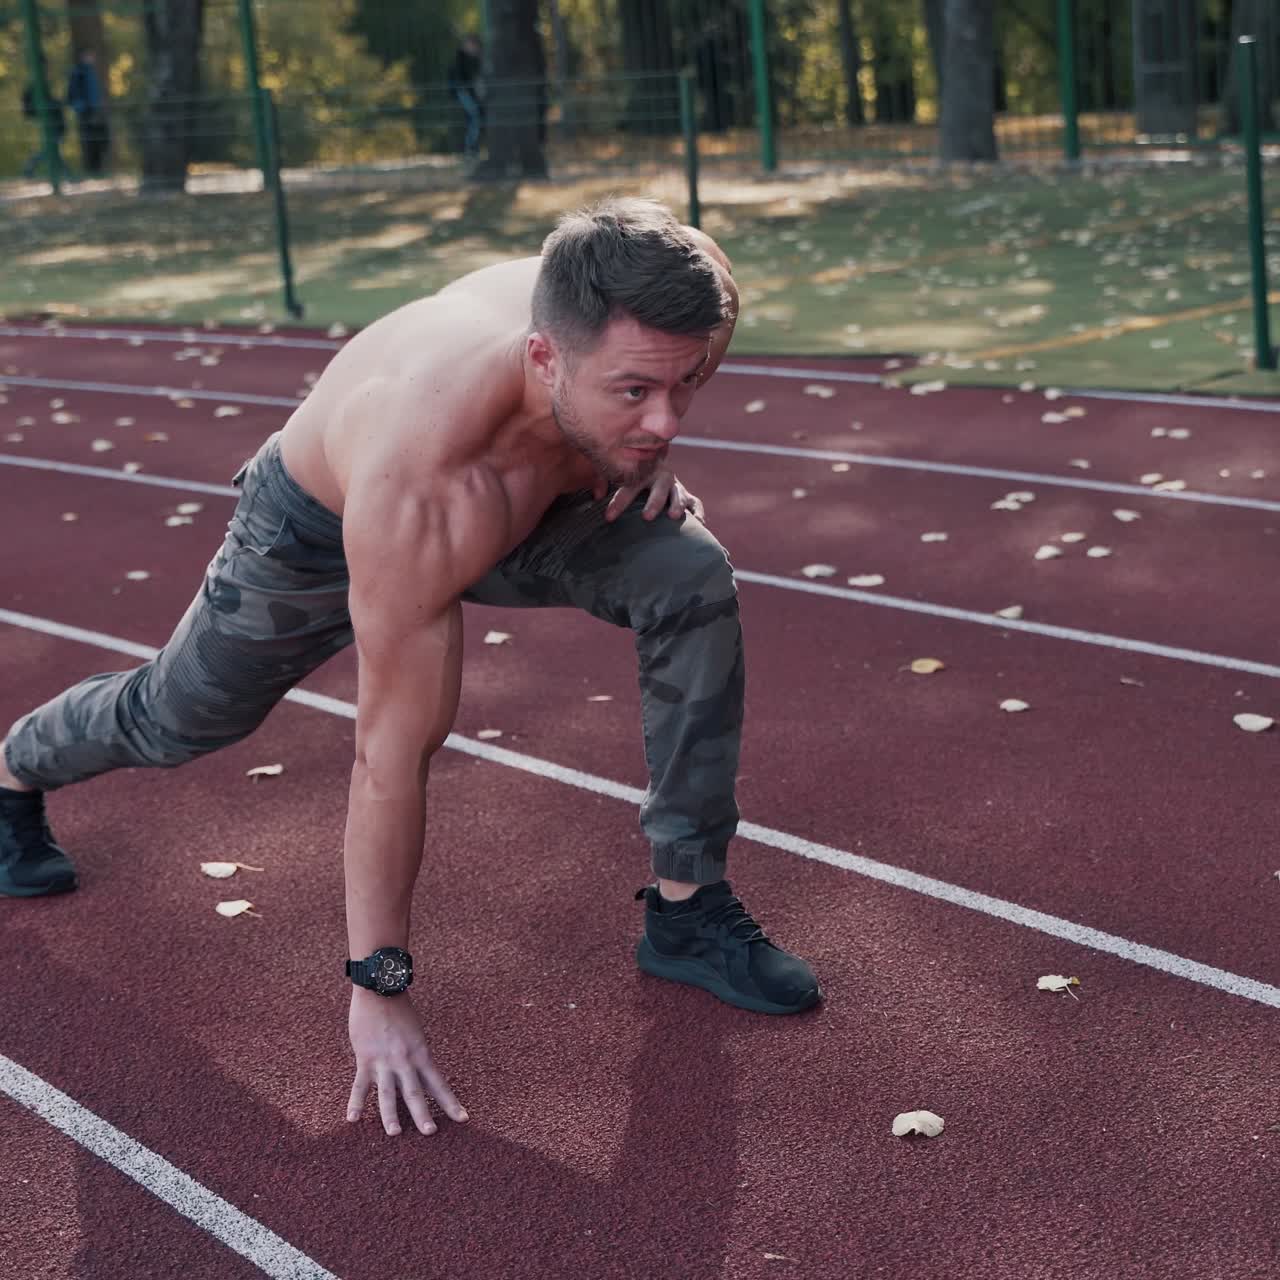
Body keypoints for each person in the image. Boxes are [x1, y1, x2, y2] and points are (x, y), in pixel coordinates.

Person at [0, 198, 822, 1138]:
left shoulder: (671, 292)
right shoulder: (422, 480)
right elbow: (390, 754)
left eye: (683, 387)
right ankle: (14, 767)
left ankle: (687, 909)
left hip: (535, 491)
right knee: (183, 716)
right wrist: (377, 984)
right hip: (319, 529)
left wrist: (632, 440)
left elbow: (691, 316)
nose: (669, 417)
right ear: (543, 356)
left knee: (689, 573)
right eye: (635, 391)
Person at [65, 48, 109, 176]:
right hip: (86, 112)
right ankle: (92, 171)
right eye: (89, 55)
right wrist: (83, 109)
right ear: (83, 56)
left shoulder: (90, 72)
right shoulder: (79, 73)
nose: (92, 58)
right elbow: (72, 95)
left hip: (95, 111)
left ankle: (98, 170)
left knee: (100, 140)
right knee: (90, 141)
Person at [447, 33, 484, 160]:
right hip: (463, 92)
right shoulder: (462, 59)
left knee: (474, 118)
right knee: (475, 117)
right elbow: (462, 80)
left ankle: (472, 148)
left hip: (468, 93)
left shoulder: (473, 59)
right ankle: (471, 148)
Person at [20, 84, 67, 178]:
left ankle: (29, 167)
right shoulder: (39, 90)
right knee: (51, 151)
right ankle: (67, 174)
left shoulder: (42, 92)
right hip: (55, 127)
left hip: (57, 126)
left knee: (51, 151)